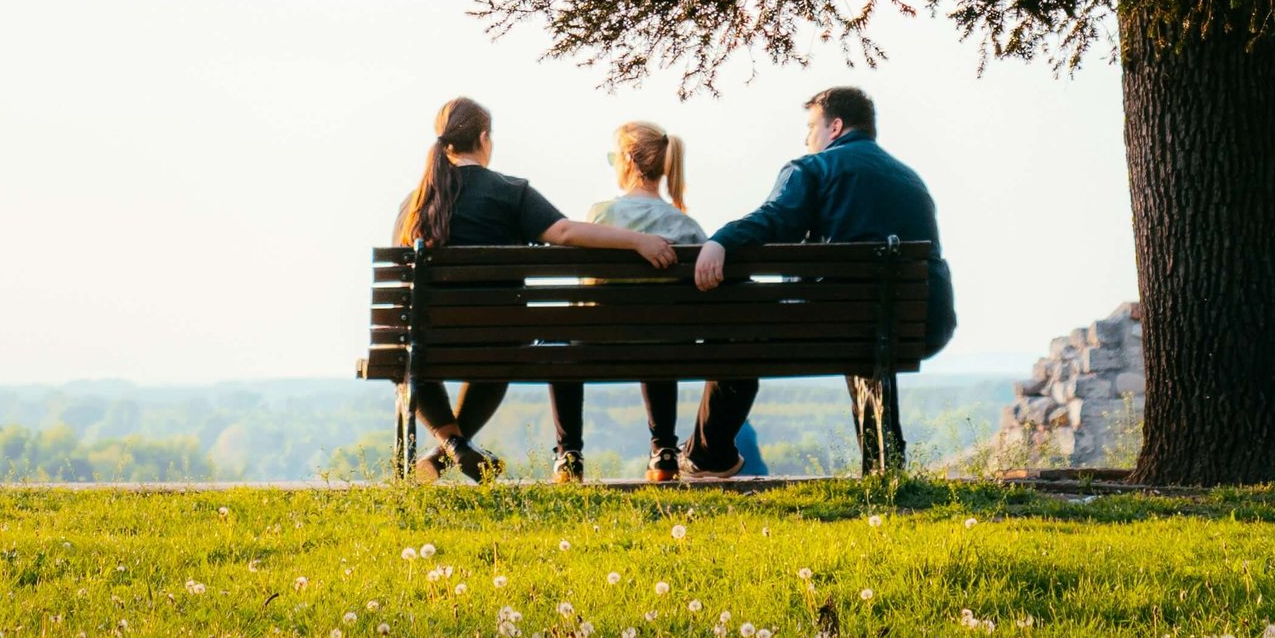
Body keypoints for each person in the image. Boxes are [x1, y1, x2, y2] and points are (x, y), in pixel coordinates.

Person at [394, 97, 678, 484]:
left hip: (429, 341)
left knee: (415, 360)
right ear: (484, 138)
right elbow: (564, 232)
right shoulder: (510, 193)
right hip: (499, 340)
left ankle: (451, 445)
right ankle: (453, 448)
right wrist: (636, 242)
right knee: (499, 350)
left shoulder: (414, 203)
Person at [686, 86, 955, 480]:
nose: (806, 138)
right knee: (867, 323)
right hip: (918, 327)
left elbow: (776, 217)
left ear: (836, 127)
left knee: (739, 327)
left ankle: (708, 457)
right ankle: (886, 467)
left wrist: (722, 239)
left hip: (832, 326)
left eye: (811, 126)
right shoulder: (910, 179)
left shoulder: (812, 168)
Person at [585, 119, 705, 485]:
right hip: (668, 346)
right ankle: (664, 450)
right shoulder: (686, 226)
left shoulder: (600, 216)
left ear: (627, 160)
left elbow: (588, 286)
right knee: (660, 334)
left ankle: (569, 455)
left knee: (565, 340)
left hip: (602, 343)